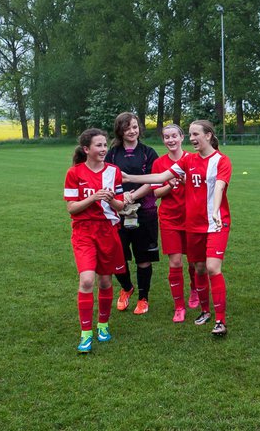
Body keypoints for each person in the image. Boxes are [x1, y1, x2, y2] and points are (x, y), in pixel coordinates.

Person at [123, 120, 233, 336]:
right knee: (199, 267)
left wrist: (215, 209)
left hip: (217, 222)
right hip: (193, 225)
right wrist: (129, 177)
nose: (192, 138)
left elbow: (220, 185)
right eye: (190, 134)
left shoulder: (222, 160)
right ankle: (204, 311)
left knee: (212, 267)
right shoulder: (188, 160)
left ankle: (220, 320)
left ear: (208, 135)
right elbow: (160, 177)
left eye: (195, 134)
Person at [64, 128, 127, 353]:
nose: (103, 150)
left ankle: (102, 325)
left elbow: (121, 206)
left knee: (105, 282)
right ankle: (85, 333)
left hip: (108, 231)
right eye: (98, 146)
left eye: (104, 145)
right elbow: (72, 208)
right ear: (86, 149)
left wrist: (111, 201)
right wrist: (93, 197)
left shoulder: (114, 171)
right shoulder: (75, 173)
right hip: (83, 232)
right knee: (87, 280)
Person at [105, 112, 160, 316]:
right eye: (127, 128)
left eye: (135, 127)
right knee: (118, 256)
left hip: (144, 212)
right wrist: (121, 197)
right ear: (120, 130)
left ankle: (143, 298)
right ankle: (127, 287)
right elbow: (106, 178)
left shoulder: (148, 152)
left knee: (143, 257)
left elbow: (153, 180)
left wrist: (132, 195)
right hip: (117, 212)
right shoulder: (111, 153)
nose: (132, 131)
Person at [145, 123, 191, 324]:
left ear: (182, 137)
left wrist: (185, 181)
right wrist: (170, 185)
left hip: (192, 217)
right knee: (175, 262)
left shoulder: (192, 159)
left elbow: (201, 189)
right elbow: (155, 193)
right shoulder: (159, 163)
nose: (170, 140)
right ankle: (179, 306)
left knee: (197, 264)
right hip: (169, 218)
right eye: (166, 137)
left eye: (174, 136)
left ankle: (197, 291)